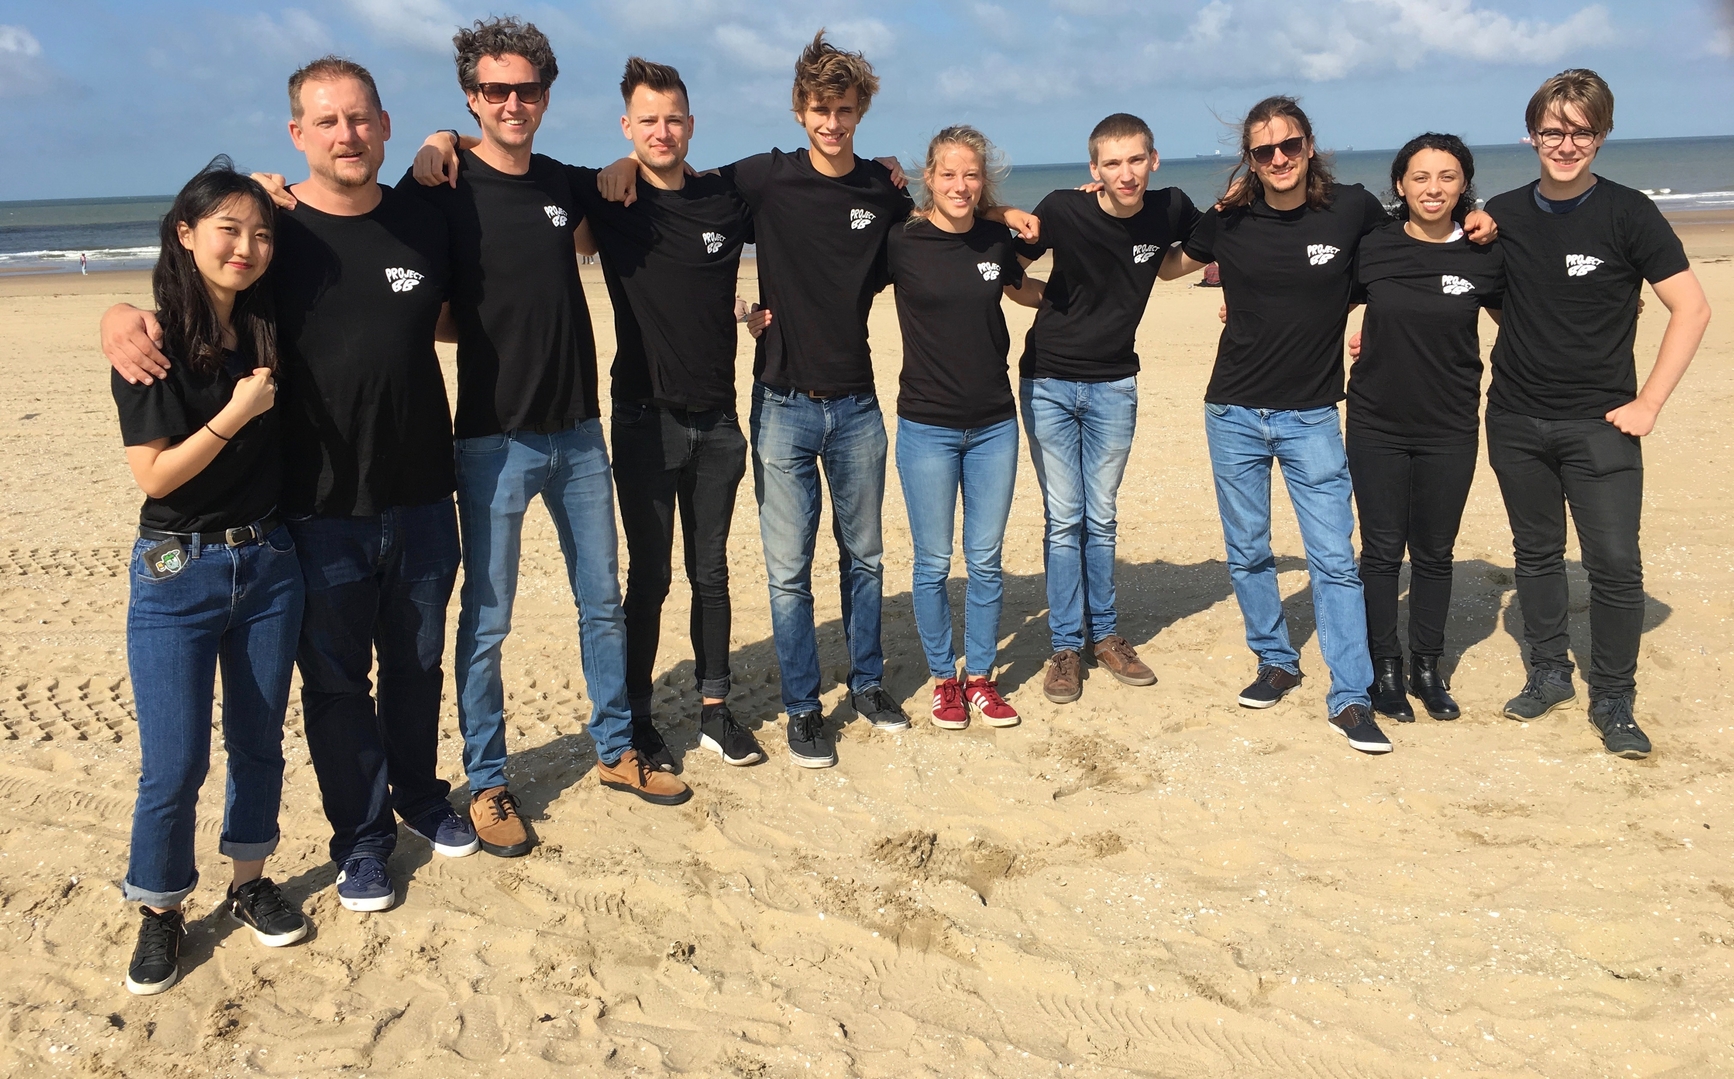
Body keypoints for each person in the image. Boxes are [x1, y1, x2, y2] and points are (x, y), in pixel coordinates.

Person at [596, 31, 1035, 766]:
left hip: (859, 404)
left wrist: (1001, 216)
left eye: (845, 109)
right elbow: (684, 182)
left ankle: (866, 684)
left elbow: (942, 224)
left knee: (863, 557)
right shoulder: (765, 177)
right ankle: (803, 706)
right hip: (780, 403)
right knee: (788, 569)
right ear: (801, 110)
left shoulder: (881, 190)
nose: (832, 122)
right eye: (820, 108)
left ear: (860, 111)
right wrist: (625, 164)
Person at [103, 57, 478, 914]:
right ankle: (362, 840)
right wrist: (116, 319)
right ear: (298, 135)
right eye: (327, 121)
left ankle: (419, 795)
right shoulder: (276, 230)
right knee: (340, 684)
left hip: (423, 491)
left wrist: (447, 136)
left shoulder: (426, 216)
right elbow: (198, 265)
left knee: (419, 665)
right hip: (316, 508)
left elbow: (457, 310)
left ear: (383, 125)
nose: (346, 134)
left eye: (360, 118)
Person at [416, 56, 763, 768]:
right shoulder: (560, 192)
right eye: (647, 121)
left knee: (667, 584)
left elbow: (798, 218)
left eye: (673, 119)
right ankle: (562, 746)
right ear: (626, 126)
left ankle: (670, 723)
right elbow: (416, 266)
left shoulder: (656, 192)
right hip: (565, 428)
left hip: (650, 426)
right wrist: (438, 138)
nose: (661, 131)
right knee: (554, 603)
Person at [389, 18, 690, 831]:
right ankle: (487, 779)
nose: (512, 102)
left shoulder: (563, 182)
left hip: (580, 433)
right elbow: (403, 284)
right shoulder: (440, 187)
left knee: (603, 601)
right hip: (490, 438)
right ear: (472, 97)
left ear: (546, 97)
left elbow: (630, 181)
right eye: (495, 90)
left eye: (526, 90)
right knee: (487, 620)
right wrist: (434, 141)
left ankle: (617, 749)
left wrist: (629, 158)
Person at [1167, 96, 1496, 755]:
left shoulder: (1350, 209)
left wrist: (1476, 217)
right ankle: (1275, 658)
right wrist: (1190, 211)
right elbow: (1168, 264)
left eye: (1289, 145)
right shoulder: (1232, 217)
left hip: (1313, 412)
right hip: (1231, 409)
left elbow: (1408, 250)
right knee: (1249, 550)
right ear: (1250, 161)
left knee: (1335, 560)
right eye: (1264, 151)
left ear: (1309, 146)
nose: (1279, 158)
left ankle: (1350, 695)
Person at [111, 159, 309, 994]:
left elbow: (330, 205)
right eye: (227, 229)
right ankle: (160, 909)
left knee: (259, 741)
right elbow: (155, 478)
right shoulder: (149, 342)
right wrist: (236, 413)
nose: (248, 246)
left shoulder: (267, 324)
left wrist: (274, 193)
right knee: (175, 760)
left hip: (268, 560)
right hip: (174, 569)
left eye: (259, 233)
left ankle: (248, 882)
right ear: (184, 234)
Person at [1483, 69, 1710, 758]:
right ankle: (1549, 671)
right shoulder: (1503, 213)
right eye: (1553, 129)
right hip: (1516, 418)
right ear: (1532, 134)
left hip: (1602, 422)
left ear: (1602, 136)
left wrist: (1649, 402)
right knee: (1537, 552)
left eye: (1580, 130)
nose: (1565, 142)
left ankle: (1613, 695)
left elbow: (1692, 309)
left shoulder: (1628, 212)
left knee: (1613, 563)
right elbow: (1482, 293)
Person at [1014, 113, 1200, 704]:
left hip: (1116, 382)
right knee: (1066, 517)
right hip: (1048, 379)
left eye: (1135, 160)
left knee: (1103, 515)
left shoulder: (1170, 208)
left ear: (1154, 159)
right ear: (1093, 169)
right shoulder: (1064, 209)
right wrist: (1050, 298)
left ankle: (1108, 637)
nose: (1126, 173)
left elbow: (1177, 260)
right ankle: (1066, 646)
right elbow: (1003, 268)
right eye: (1112, 163)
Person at [874, 126, 1044, 727]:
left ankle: (980, 680)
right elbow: (835, 259)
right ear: (929, 177)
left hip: (995, 424)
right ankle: (944, 678)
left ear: (984, 180)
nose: (960, 185)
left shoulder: (997, 240)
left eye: (971, 175)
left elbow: (1027, 292)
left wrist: (1096, 296)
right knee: (931, 561)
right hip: (926, 426)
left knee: (987, 559)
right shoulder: (902, 241)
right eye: (948, 174)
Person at [1344, 134, 1504, 724]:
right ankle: (1384, 668)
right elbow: (1316, 296)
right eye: (1420, 177)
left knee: (1436, 553)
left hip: (1451, 424)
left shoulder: (1486, 252)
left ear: (1464, 185)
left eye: (1447, 177)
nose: (1432, 188)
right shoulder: (1374, 247)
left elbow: (1529, 314)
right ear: (1400, 185)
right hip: (1376, 423)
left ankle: (1427, 668)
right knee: (1382, 551)